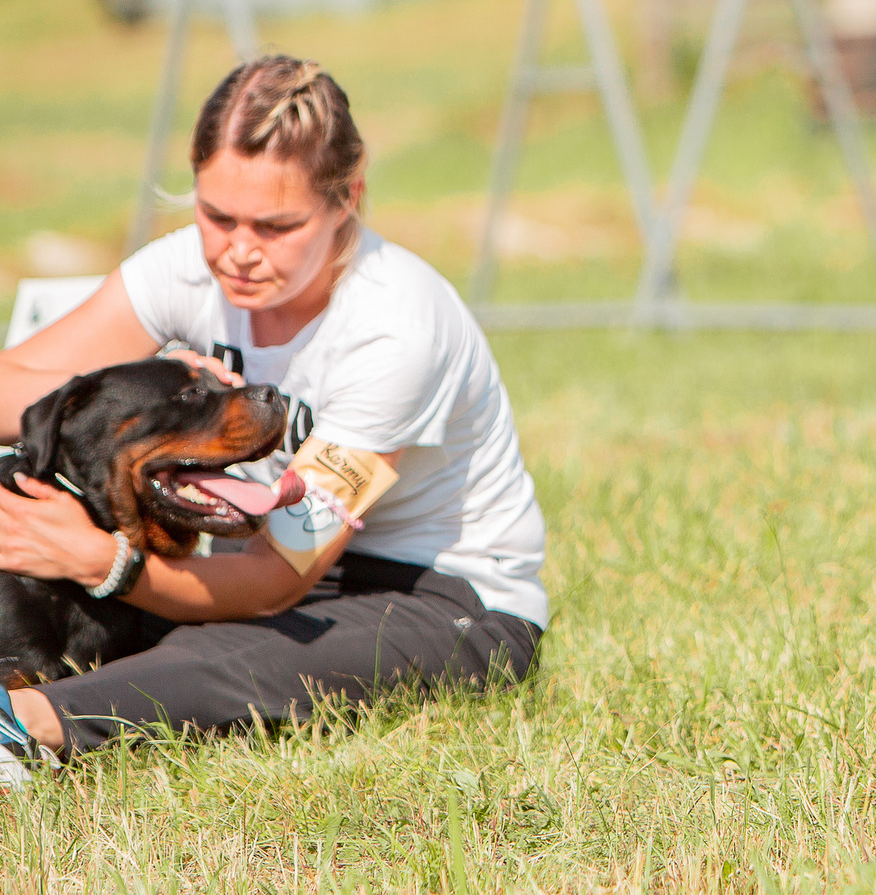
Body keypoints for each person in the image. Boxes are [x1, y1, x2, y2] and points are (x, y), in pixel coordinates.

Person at [0, 57, 547, 782]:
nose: (240, 250)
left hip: (440, 596)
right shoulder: (187, 270)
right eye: (216, 215)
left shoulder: (393, 327)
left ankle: (26, 727)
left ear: (348, 197)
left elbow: (274, 581)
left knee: (230, 655)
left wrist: (103, 563)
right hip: (258, 558)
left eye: (277, 224)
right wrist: (133, 389)